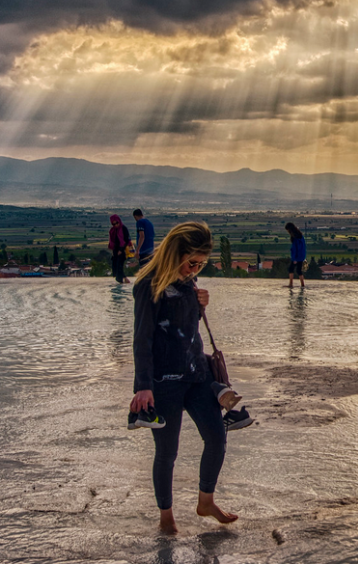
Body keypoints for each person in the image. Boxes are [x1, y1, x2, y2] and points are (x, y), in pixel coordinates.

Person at [129, 221, 237, 534]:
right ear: (174, 254)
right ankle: (166, 517)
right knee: (167, 452)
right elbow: (142, 340)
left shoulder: (190, 282)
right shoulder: (148, 286)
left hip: (197, 373)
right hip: (164, 381)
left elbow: (188, 327)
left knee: (216, 436)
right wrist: (143, 387)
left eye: (202, 264)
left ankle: (206, 501)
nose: (195, 269)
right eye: (192, 262)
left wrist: (199, 302)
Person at [109, 214, 131, 284]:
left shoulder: (123, 228)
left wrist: (121, 250)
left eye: (117, 223)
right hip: (116, 250)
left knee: (119, 265)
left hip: (122, 250)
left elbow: (126, 240)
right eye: (114, 224)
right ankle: (123, 279)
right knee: (116, 265)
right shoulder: (113, 230)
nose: (115, 225)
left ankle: (123, 279)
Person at [285, 222, 306, 289]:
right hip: (301, 255)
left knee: (291, 269)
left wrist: (294, 258)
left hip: (297, 256)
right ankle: (302, 284)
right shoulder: (300, 235)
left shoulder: (295, 237)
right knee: (299, 270)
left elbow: (295, 249)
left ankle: (291, 284)